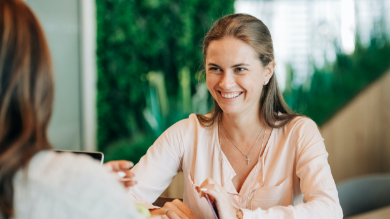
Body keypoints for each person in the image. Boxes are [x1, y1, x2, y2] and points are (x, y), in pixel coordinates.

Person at [125, 14, 344, 218]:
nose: (225, 83)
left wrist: (239, 216)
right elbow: (122, 199)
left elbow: (329, 210)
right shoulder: (185, 134)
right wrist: (156, 214)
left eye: (239, 69)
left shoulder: (300, 133)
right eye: (215, 69)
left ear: (267, 72)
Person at [0, 1, 159, 219]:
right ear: (37, 80)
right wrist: (91, 187)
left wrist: (94, 185)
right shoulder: (72, 186)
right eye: (213, 68)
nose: (224, 83)